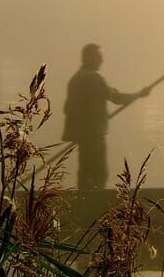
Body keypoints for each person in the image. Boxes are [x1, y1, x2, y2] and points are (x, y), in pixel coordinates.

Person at [62, 43, 150, 190]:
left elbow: (67, 108)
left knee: (84, 170)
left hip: (81, 136)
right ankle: (96, 203)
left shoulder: (75, 79)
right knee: (99, 172)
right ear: (91, 58)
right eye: (99, 57)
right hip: (94, 135)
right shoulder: (95, 79)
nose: (102, 61)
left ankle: (83, 201)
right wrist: (139, 95)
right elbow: (117, 98)